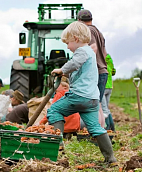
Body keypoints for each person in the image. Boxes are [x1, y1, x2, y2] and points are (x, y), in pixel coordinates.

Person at [47, 21, 116, 163]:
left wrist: (62, 70)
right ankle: (110, 158)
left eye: (68, 43)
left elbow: (74, 63)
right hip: (92, 99)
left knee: (54, 111)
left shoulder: (81, 52)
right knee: (95, 128)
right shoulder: (90, 52)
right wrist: (67, 75)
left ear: (76, 39)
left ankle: (58, 145)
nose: (67, 47)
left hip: (79, 96)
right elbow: (79, 70)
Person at [78, 9, 108, 128]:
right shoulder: (98, 31)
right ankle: (100, 131)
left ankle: (96, 132)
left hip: (96, 72)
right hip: (103, 71)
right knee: (98, 105)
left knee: (94, 106)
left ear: (79, 21)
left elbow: (93, 48)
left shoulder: (88, 31)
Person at [101, 54, 116, 131]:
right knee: (106, 108)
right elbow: (113, 71)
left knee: (104, 109)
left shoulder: (100, 57)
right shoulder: (109, 58)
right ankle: (112, 128)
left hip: (103, 85)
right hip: (110, 86)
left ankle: (107, 128)